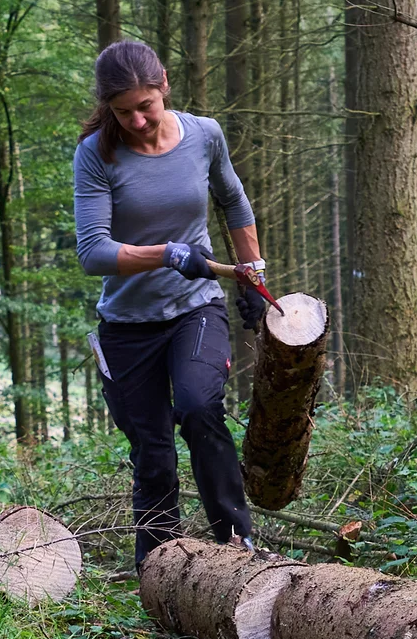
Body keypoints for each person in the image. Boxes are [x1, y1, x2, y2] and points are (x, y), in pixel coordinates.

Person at [72, 39, 270, 568]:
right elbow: (93, 252)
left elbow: (233, 200)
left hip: (194, 307)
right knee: (153, 452)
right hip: (126, 325)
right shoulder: (96, 154)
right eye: (122, 111)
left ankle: (237, 546)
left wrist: (252, 274)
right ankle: (160, 572)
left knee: (200, 407)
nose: (136, 121)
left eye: (145, 106)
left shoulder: (204, 134)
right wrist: (164, 253)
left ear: (163, 84)